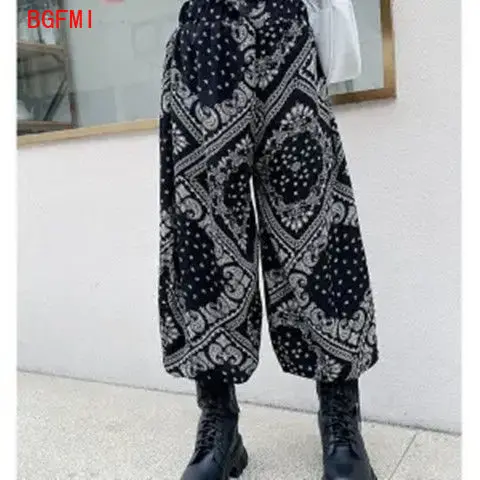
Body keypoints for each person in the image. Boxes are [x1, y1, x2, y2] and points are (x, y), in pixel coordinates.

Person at [158, 1, 379, 479]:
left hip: (287, 33)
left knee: (318, 229)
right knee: (204, 236)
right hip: (204, 39)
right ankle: (220, 423)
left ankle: (340, 417)